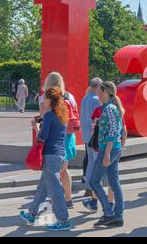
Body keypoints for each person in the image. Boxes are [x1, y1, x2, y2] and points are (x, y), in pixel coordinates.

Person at [19, 87, 71, 231]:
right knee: (43, 187)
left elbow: (42, 137)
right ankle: (32, 213)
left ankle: (63, 219)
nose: (43, 100)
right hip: (60, 154)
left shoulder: (48, 115)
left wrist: (36, 127)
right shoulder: (63, 115)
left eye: (45, 98)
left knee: (54, 189)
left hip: (50, 155)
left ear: (50, 100)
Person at [90, 81, 125, 227]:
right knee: (114, 181)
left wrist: (107, 153)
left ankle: (109, 213)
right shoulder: (111, 107)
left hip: (108, 149)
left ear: (105, 92)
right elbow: (115, 129)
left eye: (99, 92)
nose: (98, 94)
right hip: (113, 148)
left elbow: (113, 131)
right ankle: (118, 216)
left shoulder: (109, 108)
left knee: (94, 181)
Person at [42, 72, 77, 209]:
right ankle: (68, 199)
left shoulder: (47, 96)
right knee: (64, 169)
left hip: (54, 137)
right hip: (68, 135)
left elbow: (44, 115)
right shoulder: (69, 96)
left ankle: (56, 200)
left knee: (52, 171)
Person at [80, 78, 103, 198]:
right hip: (94, 135)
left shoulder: (85, 98)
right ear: (99, 87)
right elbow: (98, 118)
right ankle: (94, 188)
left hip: (86, 135)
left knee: (90, 162)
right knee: (96, 162)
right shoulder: (96, 100)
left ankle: (88, 187)